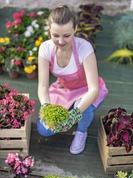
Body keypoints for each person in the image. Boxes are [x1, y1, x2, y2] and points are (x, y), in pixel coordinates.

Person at [37, 5, 108, 154]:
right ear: (49, 30)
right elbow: (43, 86)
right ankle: (68, 110)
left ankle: (82, 131)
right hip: (63, 89)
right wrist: (46, 107)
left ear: (75, 29)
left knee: (85, 108)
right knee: (44, 130)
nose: (61, 41)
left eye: (66, 36)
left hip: (86, 89)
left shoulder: (84, 48)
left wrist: (74, 115)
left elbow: (93, 88)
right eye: (55, 35)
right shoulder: (45, 49)